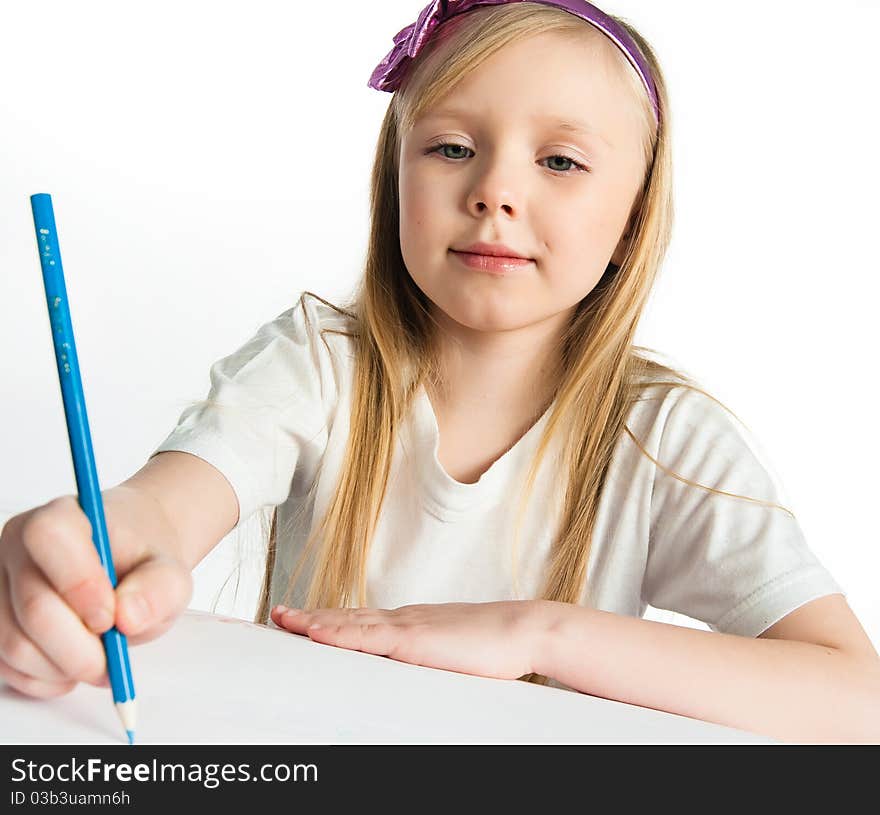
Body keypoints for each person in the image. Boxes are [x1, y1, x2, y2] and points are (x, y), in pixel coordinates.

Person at [1, 0, 877, 744]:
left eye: (560, 161)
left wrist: (536, 633)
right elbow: (168, 503)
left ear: (634, 217)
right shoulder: (317, 364)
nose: (495, 190)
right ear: (396, 180)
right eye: (452, 147)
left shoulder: (666, 438)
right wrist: (96, 547)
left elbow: (856, 697)